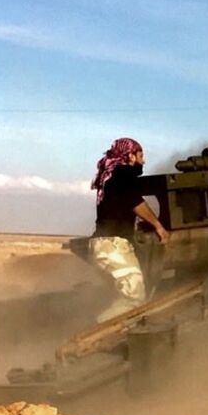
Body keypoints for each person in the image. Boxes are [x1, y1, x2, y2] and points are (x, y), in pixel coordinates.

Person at [89, 137, 167, 323]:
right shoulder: (122, 173)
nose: (143, 161)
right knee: (134, 297)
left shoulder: (111, 175)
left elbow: (122, 203)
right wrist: (158, 227)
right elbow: (135, 202)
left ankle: (122, 335)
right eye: (140, 155)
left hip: (105, 245)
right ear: (130, 156)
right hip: (112, 246)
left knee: (131, 295)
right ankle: (98, 334)